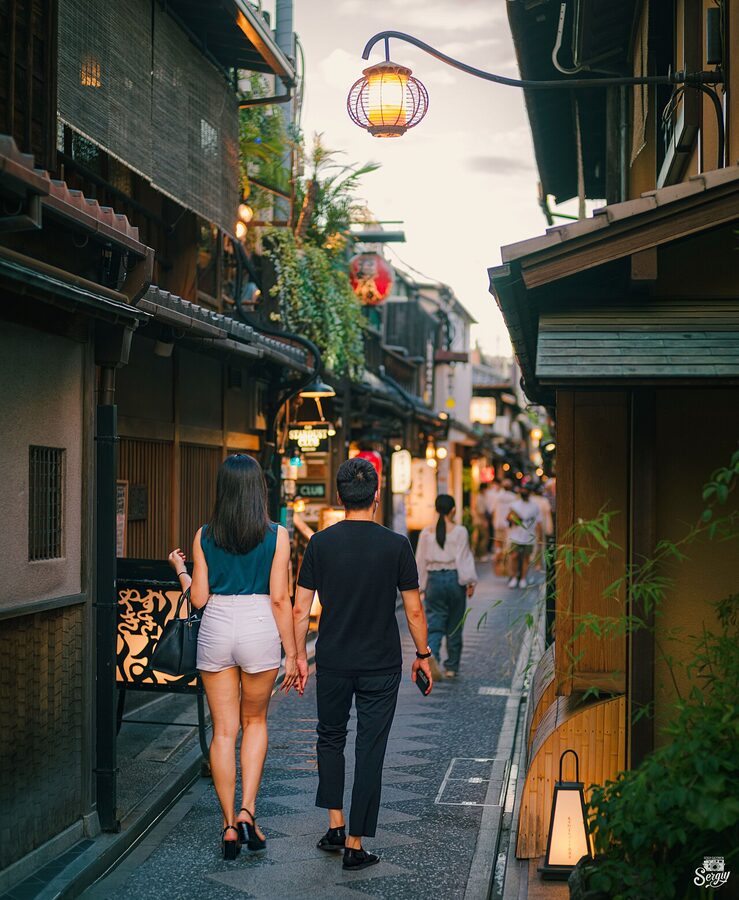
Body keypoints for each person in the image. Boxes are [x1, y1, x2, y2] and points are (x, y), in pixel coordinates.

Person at [292, 457, 433, 872]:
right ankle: (355, 843)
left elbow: (301, 610)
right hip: (380, 663)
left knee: (330, 737)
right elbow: (414, 613)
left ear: (339, 497)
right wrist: (423, 655)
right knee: (370, 747)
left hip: (332, 657)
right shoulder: (396, 545)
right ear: (376, 496)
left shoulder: (320, 543)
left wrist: (298, 656)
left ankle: (335, 824)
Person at [168, 454, 300, 860]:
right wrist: (293, 653)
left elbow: (201, 598)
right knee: (254, 721)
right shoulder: (277, 535)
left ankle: (227, 825)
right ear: (259, 488)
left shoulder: (204, 535)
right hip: (260, 625)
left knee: (223, 731)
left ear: (222, 490)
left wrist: (179, 569)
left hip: (218, 627)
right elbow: (280, 599)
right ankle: (248, 811)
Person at [415, 494, 477, 679]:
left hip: (433, 580)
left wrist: (420, 587)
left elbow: (420, 561)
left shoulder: (426, 533)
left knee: (434, 624)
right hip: (454, 579)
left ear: (436, 509)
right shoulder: (460, 531)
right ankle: (451, 668)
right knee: (455, 625)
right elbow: (463, 558)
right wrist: (470, 582)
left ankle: (432, 654)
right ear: (453, 510)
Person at [506, 484, 542, 589]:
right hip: (515, 535)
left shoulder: (535, 506)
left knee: (526, 558)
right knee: (514, 556)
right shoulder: (514, 505)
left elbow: (538, 522)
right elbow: (508, 518)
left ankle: (522, 578)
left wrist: (539, 537)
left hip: (529, 536)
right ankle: (513, 577)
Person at [493, 478, 517, 573]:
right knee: (508, 547)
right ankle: (506, 568)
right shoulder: (514, 497)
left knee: (498, 545)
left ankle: (498, 567)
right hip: (509, 525)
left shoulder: (498, 497)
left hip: (498, 524)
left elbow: (493, 511)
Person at [473, 483, 490, 559]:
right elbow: (480, 512)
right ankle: (481, 554)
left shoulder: (480, 497)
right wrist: (485, 521)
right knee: (484, 537)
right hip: (480, 521)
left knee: (479, 537)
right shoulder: (480, 497)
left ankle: (477, 554)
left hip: (477, 520)